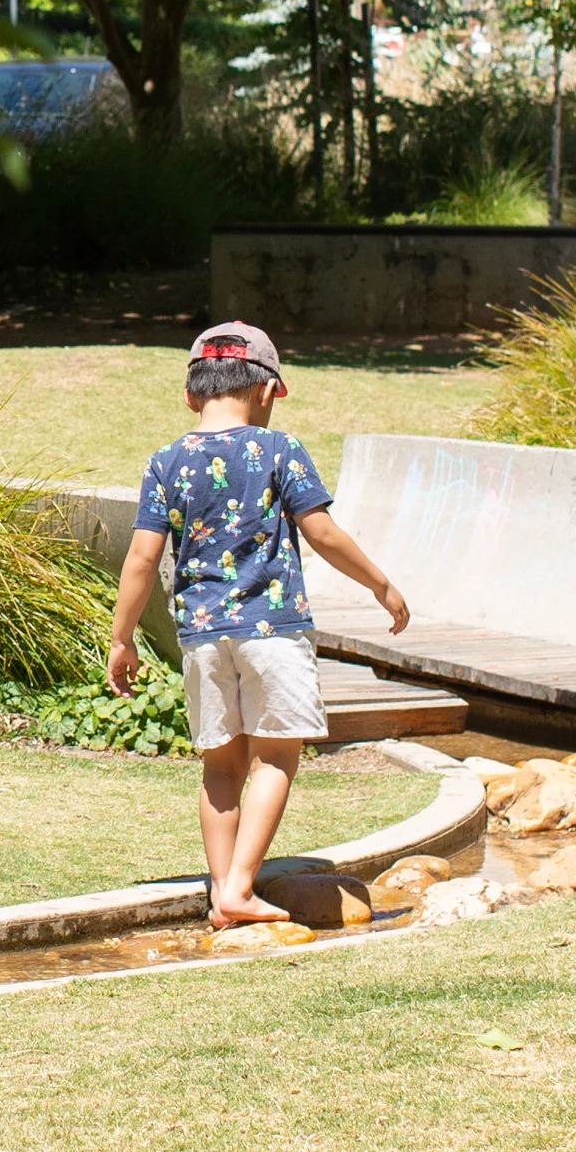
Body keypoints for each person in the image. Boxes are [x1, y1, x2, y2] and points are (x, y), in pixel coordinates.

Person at [106, 320, 409, 927]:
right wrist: (379, 582)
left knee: (221, 765)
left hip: (201, 635)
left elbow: (142, 557)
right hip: (273, 631)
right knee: (275, 757)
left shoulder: (167, 461)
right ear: (268, 391)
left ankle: (223, 890)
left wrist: (122, 637)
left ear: (191, 394)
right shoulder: (279, 450)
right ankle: (240, 887)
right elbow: (320, 532)